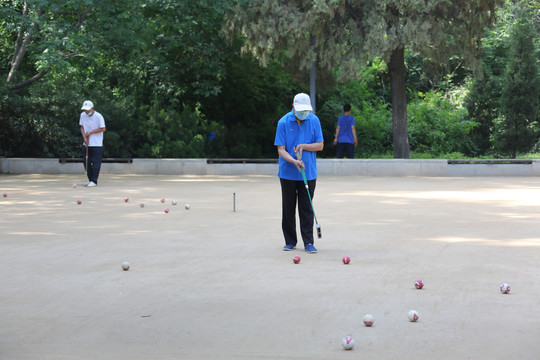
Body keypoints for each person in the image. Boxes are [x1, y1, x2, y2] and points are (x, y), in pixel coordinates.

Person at [274, 93, 324, 253]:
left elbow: (320, 145)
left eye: (306, 110)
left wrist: (304, 145)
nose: (303, 113)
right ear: (293, 106)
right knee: (288, 207)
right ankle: (290, 241)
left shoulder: (314, 120)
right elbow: (281, 149)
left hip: (308, 172)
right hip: (288, 173)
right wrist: (293, 161)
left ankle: (309, 242)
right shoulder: (283, 122)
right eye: (300, 110)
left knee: (306, 207)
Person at [79, 100, 106, 187]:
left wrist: (90, 132)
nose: (86, 111)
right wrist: (84, 138)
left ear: (92, 108)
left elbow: (103, 129)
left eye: (88, 110)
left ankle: (94, 181)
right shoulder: (82, 115)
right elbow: (82, 127)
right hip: (86, 143)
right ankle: (90, 180)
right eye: (85, 110)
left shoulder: (99, 116)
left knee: (96, 163)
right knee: (86, 162)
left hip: (97, 144)